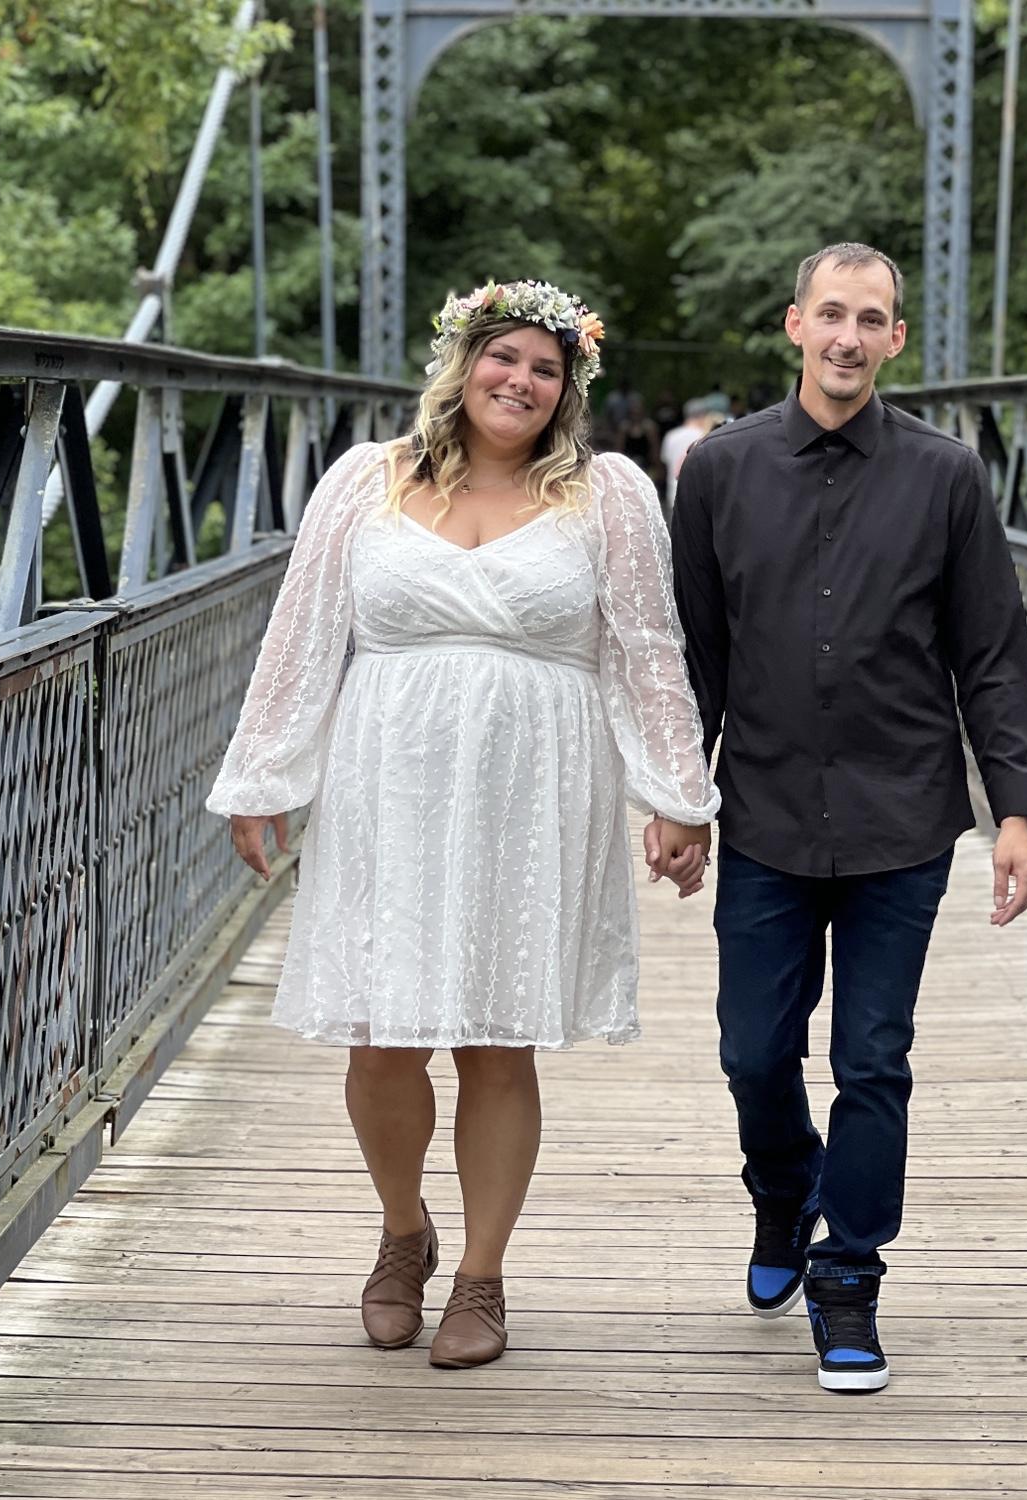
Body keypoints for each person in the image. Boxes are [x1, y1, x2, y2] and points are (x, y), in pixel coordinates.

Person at [208, 278, 718, 1371]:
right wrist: (263, 775)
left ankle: (482, 1274)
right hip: (387, 779)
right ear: (462, 362)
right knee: (381, 1037)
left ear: (568, 389)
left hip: (533, 785)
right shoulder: (366, 480)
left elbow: (646, 648)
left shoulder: (608, 494)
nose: (521, 381)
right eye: (505, 357)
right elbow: (303, 632)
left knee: (497, 1035)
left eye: (547, 368)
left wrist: (678, 796)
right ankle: (405, 1232)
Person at [667, 242, 1027, 1395]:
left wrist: (1016, 811)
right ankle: (785, 1191)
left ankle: (849, 1276)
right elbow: (696, 653)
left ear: (895, 339)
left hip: (902, 818)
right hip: (765, 812)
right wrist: (680, 795)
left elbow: (991, 651)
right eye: (831, 313)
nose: (848, 336)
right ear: (795, 324)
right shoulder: (720, 471)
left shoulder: (946, 476)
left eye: (870, 319)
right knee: (751, 1051)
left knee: (874, 1057)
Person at [659, 398, 714, 522]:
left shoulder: (670, 436)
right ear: (702, 416)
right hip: (699, 500)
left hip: (673, 497)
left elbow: (665, 465)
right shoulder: (706, 436)